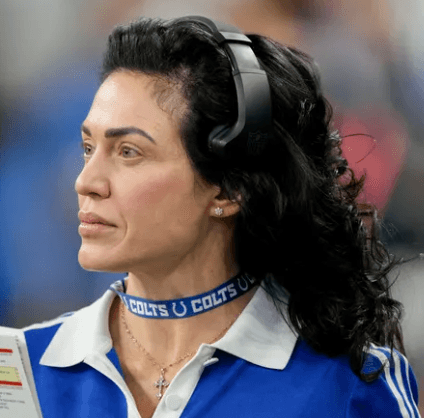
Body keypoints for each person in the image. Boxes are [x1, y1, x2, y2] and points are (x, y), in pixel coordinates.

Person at [23, 16, 420, 418]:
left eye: (129, 152)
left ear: (228, 189)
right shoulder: (20, 369)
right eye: (88, 148)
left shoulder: (347, 388)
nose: (85, 182)